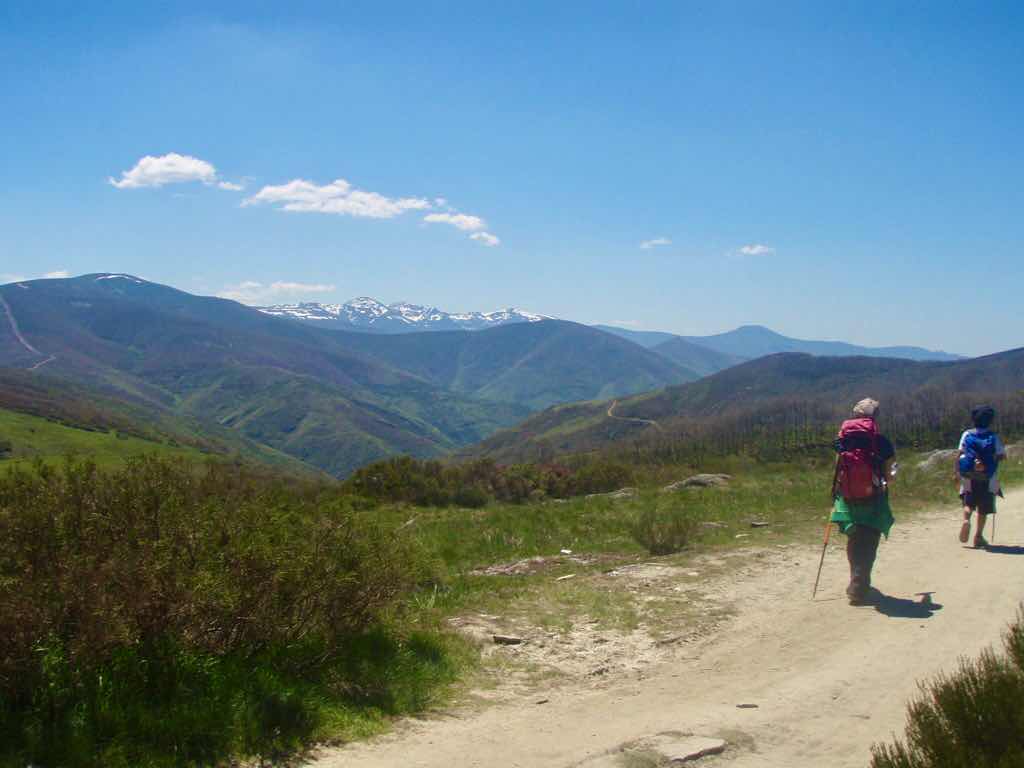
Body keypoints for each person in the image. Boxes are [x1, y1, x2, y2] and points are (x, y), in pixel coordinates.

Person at [830, 398, 897, 605]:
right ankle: (860, 582)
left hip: (848, 497)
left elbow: (838, 467)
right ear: (874, 417)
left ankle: (855, 578)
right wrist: (885, 481)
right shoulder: (882, 442)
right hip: (874, 497)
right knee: (870, 539)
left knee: (854, 537)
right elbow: (891, 474)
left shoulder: (842, 440)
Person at [957, 405, 1007, 549]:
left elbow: (960, 453)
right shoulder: (993, 436)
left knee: (968, 503)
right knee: (983, 509)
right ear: (990, 421)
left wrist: (956, 471)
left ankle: (966, 520)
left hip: (968, 476)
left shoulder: (967, 434)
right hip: (988, 477)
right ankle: (978, 536)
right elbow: (1002, 455)